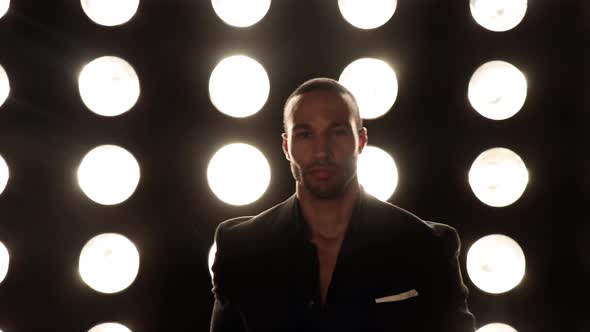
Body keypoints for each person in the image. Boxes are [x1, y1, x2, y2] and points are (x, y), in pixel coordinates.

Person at [210, 78, 476, 332]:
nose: (321, 151)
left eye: (337, 132)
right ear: (286, 146)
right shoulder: (242, 247)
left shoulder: (427, 246)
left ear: (361, 140)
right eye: (304, 134)